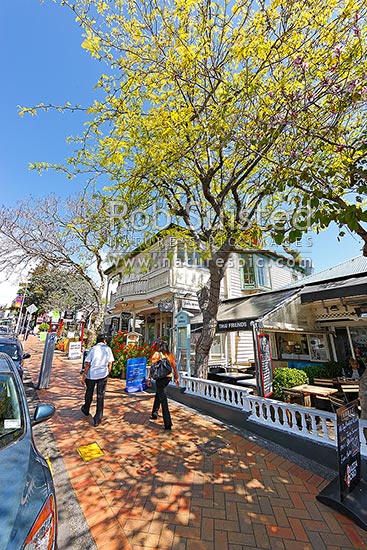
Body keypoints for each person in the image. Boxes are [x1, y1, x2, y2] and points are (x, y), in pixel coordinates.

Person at [80, 334, 114, 427]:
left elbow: (87, 364)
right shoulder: (108, 349)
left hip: (92, 374)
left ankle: (86, 408)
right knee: (100, 396)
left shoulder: (93, 349)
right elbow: (110, 363)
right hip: (103, 374)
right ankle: (98, 418)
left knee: (89, 392)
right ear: (104, 340)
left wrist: (84, 375)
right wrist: (108, 373)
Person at [147, 339, 179, 430]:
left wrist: (149, 379)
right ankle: (154, 413)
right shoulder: (170, 355)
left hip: (160, 378)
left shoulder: (157, 354)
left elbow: (152, 368)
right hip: (168, 377)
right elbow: (174, 367)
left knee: (163, 398)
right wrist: (176, 378)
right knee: (159, 393)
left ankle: (167, 423)